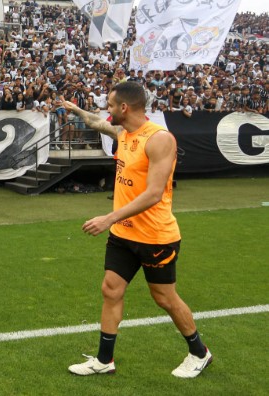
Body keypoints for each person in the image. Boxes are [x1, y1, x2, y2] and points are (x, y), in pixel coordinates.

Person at [63, 82, 212, 378]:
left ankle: (199, 352)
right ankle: (105, 360)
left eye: (109, 103)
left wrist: (108, 217)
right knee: (111, 289)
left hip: (156, 236)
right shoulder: (123, 132)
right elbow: (94, 120)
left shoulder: (159, 140)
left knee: (164, 298)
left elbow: (154, 193)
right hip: (123, 234)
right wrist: (75, 109)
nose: (106, 108)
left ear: (124, 108)